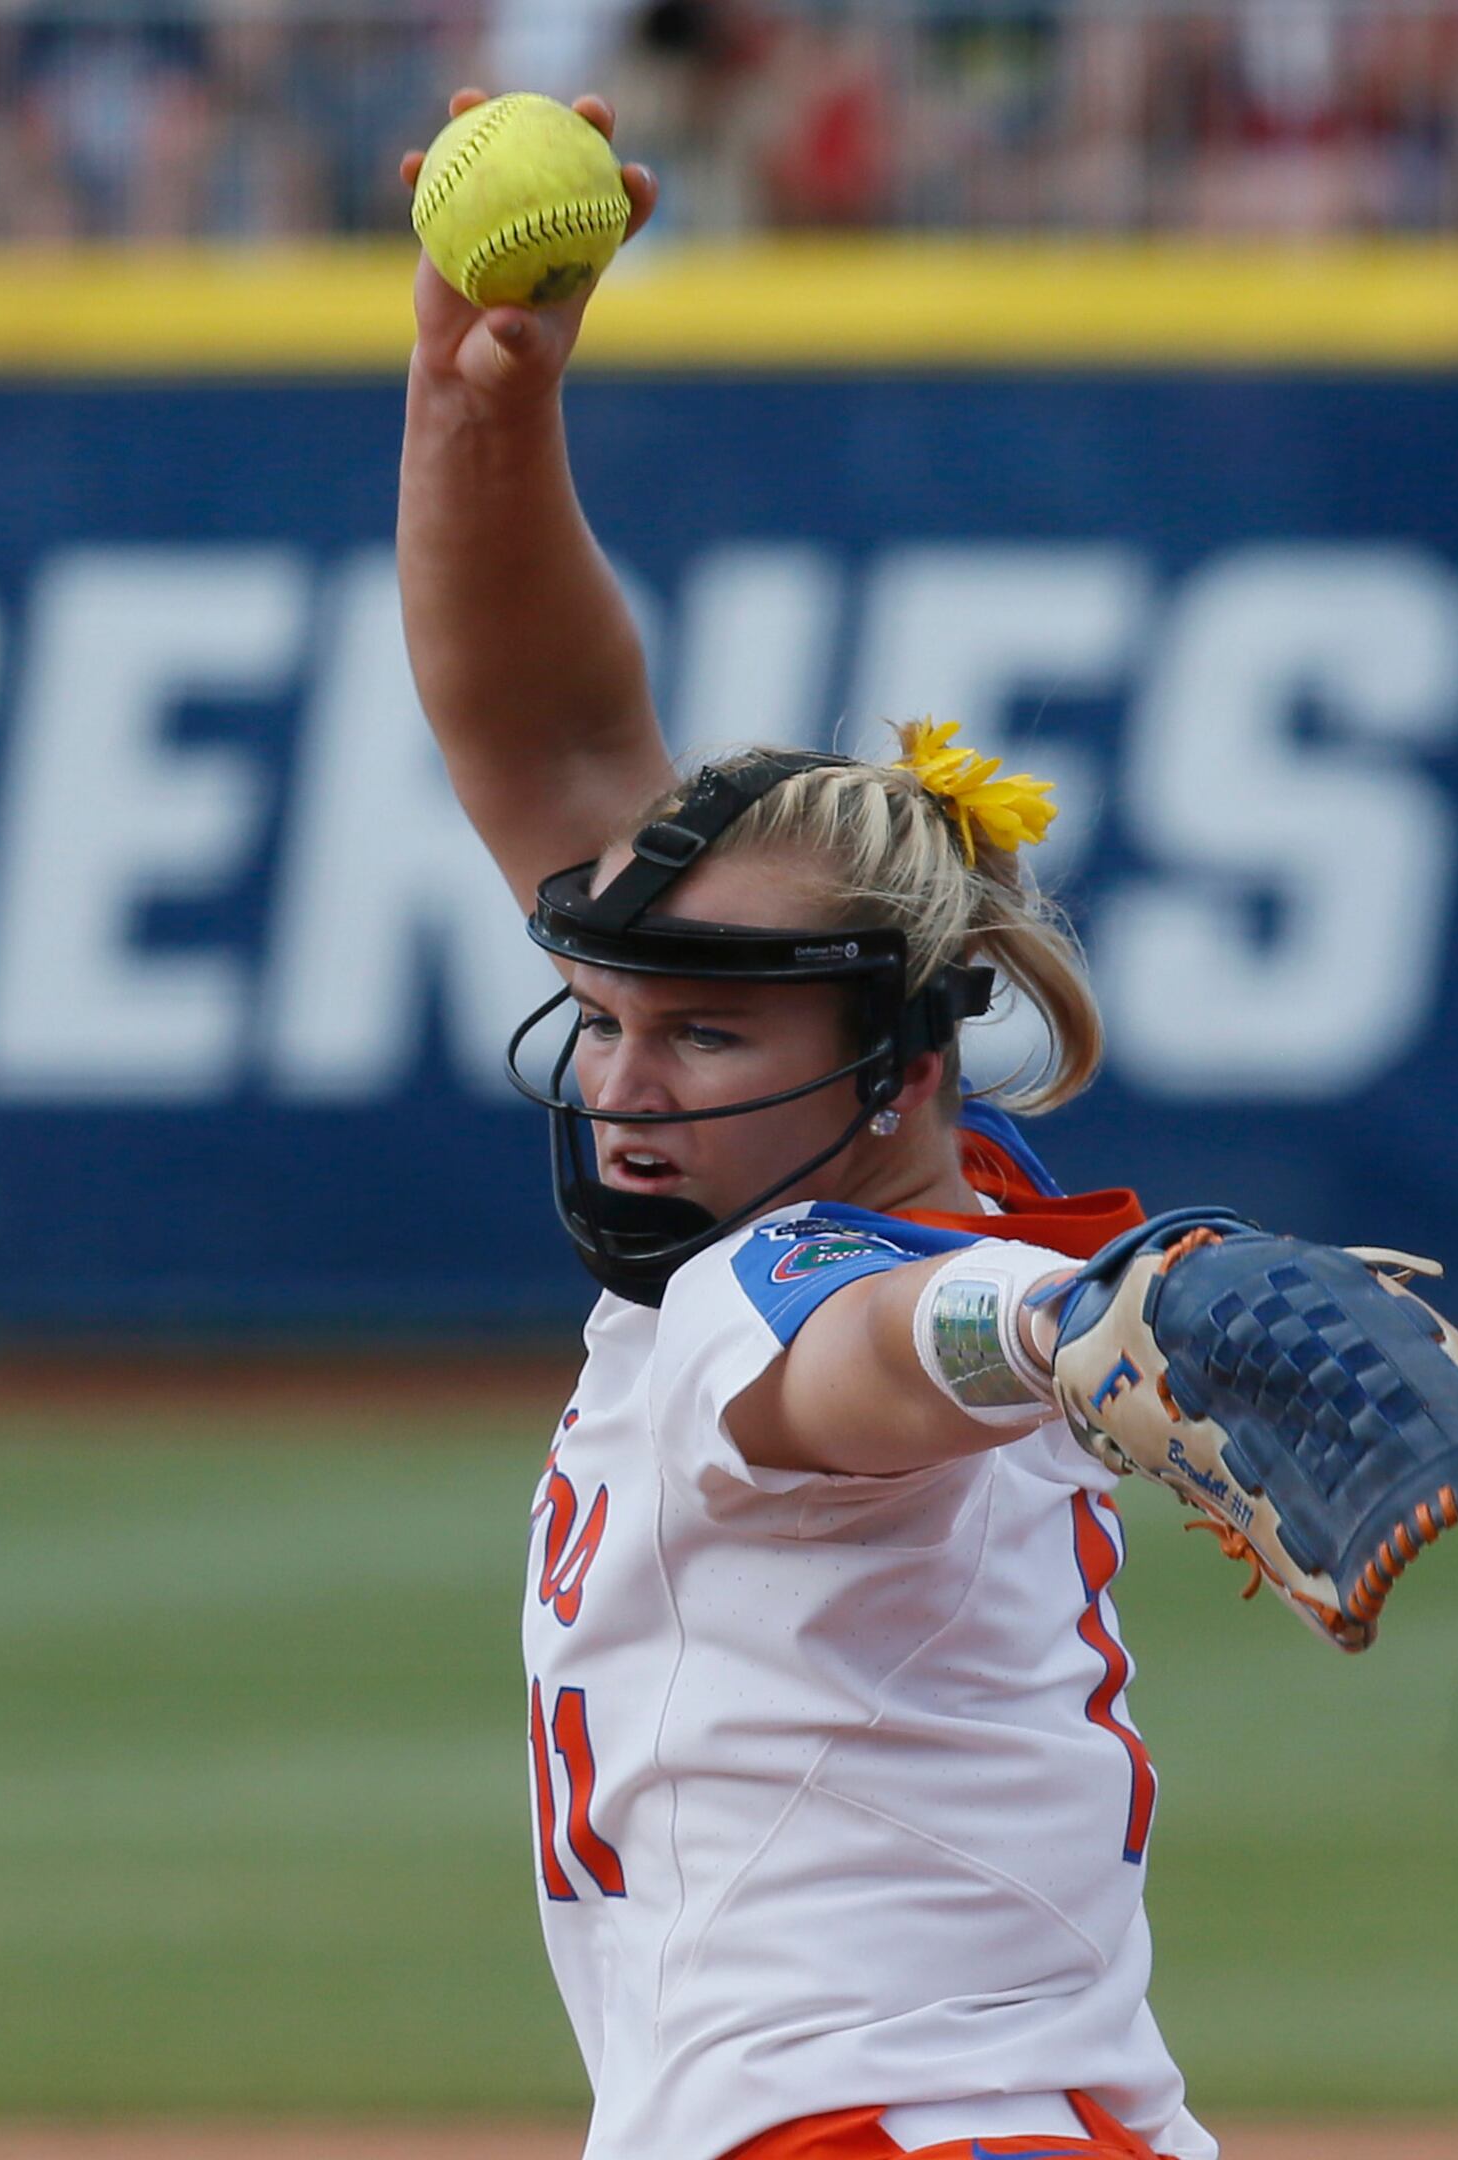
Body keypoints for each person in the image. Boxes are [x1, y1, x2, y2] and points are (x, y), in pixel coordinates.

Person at [394, 89, 1216, 2160]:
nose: (624, 1082)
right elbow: (548, 729)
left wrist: (1043, 1337)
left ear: (903, 1068)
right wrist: (475, 385)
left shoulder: (797, 1278)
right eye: (605, 1017)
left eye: (702, 1036)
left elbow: (880, 1360)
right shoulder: (907, 1193)